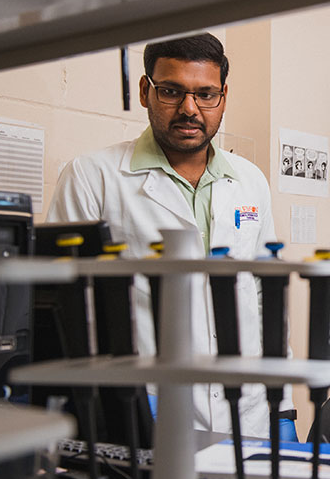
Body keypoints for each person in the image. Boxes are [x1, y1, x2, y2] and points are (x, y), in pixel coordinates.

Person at [47, 33, 298, 440]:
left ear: (223, 96)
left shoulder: (249, 181)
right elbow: (72, 307)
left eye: (205, 94)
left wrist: (282, 407)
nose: (189, 109)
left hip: (247, 412)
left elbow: (264, 298)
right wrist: (122, 392)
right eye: (171, 91)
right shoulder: (92, 176)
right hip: (142, 407)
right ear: (146, 91)